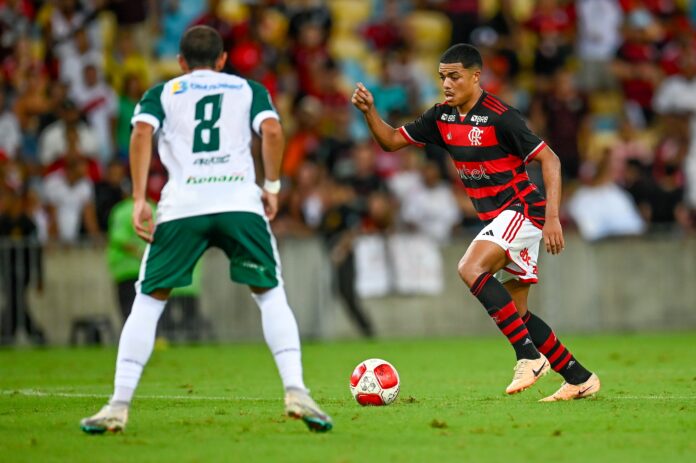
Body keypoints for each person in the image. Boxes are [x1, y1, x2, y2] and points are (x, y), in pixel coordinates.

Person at [80, 25, 332, 434]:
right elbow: (271, 130)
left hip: (183, 206)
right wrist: (271, 187)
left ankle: (118, 406)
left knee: (148, 302)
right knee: (270, 295)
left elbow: (141, 132)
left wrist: (141, 197)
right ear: (222, 60)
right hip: (238, 203)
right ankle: (297, 390)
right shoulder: (248, 90)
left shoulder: (162, 92)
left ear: (181, 62)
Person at [352, 43, 600, 401]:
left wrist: (552, 219)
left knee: (470, 267)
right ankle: (579, 377)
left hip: (522, 210)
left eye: (454, 76)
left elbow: (551, 160)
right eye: (442, 77)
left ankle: (529, 356)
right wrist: (370, 112)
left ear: (475, 76)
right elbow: (391, 141)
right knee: (517, 313)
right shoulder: (442, 117)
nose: (447, 84)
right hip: (500, 218)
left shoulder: (502, 117)